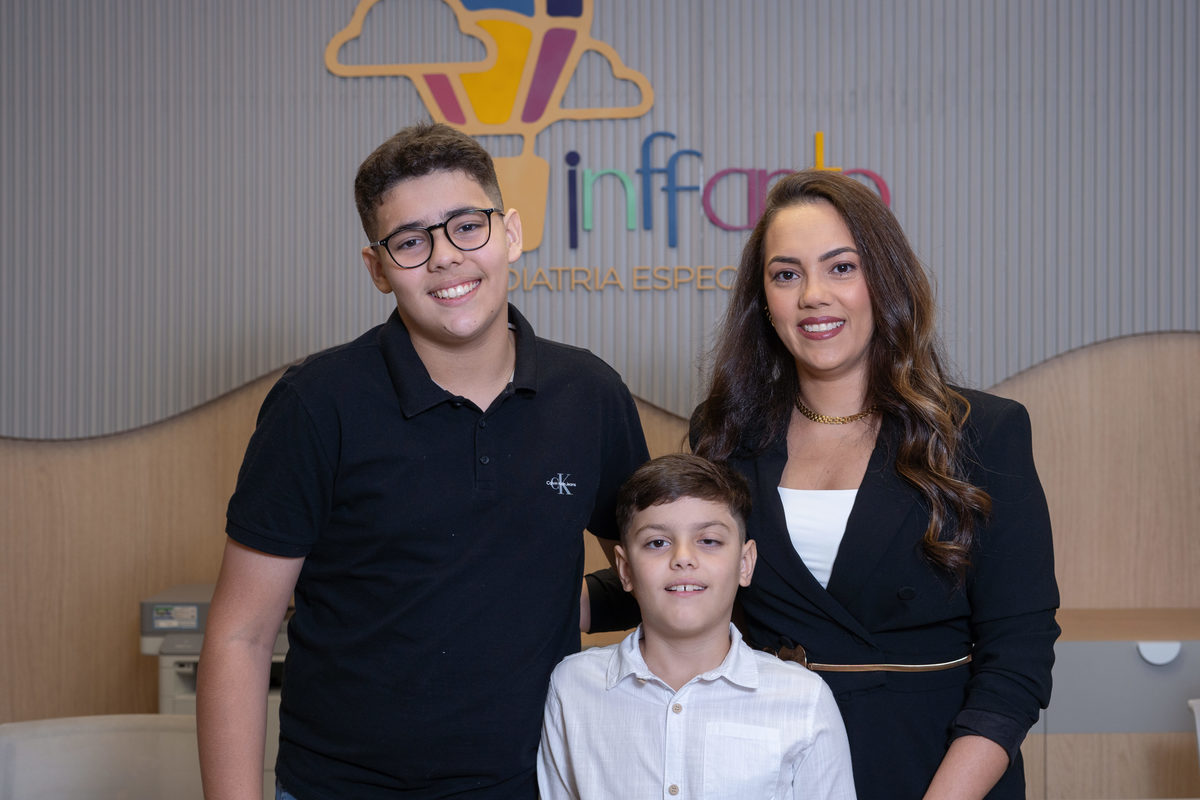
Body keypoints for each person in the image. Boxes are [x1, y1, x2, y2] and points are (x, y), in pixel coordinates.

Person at [196, 121, 649, 799]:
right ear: (377, 269)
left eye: (467, 226)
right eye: (410, 242)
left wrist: (566, 602)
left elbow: (656, 572)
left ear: (511, 233)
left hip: (537, 785)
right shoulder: (316, 403)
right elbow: (240, 636)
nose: (445, 258)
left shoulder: (588, 394)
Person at [683, 169, 1060, 799]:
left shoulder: (983, 433)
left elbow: (1017, 658)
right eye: (786, 275)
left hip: (934, 770)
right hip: (771, 767)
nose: (813, 296)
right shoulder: (724, 433)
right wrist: (566, 595)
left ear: (885, 282)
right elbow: (690, 565)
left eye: (841, 268)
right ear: (763, 300)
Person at [540, 453, 857, 800]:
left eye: (709, 541)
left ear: (745, 563)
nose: (683, 558)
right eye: (657, 542)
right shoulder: (573, 687)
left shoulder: (804, 700)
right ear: (625, 570)